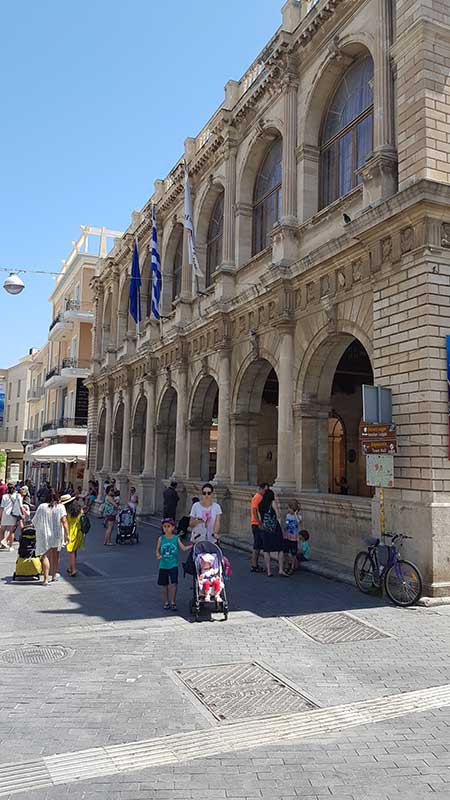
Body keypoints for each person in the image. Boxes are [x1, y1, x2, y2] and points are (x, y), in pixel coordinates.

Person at [32, 489, 70, 585]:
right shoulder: (61, 507)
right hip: (56, 534)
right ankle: (53, 575)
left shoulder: (41, 507)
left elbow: (35, 521)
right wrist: (67, 535)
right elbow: (64, 521)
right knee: (55, 555)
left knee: (44, 556)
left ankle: (45, 579)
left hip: (44, 534)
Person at [156, 518, 192, 610]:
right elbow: (157, 550)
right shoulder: (161, 538)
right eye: (164, 527)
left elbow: (183, 548)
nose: (166, 528)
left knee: (174, 583)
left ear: (173, 528)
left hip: (173, 565)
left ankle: (173, 601)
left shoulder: (176, 538)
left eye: (168, 526)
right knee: (165, 584)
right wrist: (158, 555)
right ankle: (166, 601)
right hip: (163, 565)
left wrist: (192, 545)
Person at [259, 488, 288, 577]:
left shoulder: (261, 504)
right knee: (280, 549)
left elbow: (261, 517)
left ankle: (268, 571)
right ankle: (280, 569)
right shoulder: (273, 503)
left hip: (265, 529)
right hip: (275, 529)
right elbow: (278, 515)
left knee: (266, 550)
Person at [250, 482, 268, 573]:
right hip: (256, 524)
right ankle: (254, 565)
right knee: (257, 545)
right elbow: (254, 510)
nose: (265, 492)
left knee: (258, 545)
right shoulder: (257, 497)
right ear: (260, 489)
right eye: (265, 490)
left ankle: (255, 564)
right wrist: (259, 522)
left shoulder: (259, 497)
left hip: (257, 523)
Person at [65, 498, 84, 577]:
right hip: (79, 532)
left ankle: (73, 569)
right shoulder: (79, 510)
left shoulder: (67, 512)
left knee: (71, 552)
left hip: (71, 532)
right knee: (74, 551)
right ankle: (71, 567)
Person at [0, 483, 22, 550]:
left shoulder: (4, 496)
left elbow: (2, 507)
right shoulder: (18, 496)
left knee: (2, 530)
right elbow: (20, 506)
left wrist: (1, 515)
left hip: (5, 513)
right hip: (13, 513)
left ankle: (2, 544)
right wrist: (22, 514)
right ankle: (10, 545)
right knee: (11, 530)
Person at [283, 500, 302, 574]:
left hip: (294, 537)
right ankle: (287, 565)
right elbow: (287, 523)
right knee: (286, 552)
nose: (288, 510)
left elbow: (299, 522)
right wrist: (285, 526)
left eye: (289, 508)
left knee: (293, 553)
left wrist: (295, 514)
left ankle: (292, 567)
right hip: (287, 536)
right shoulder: (288, 515)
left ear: (292, 508)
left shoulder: (298, 516)